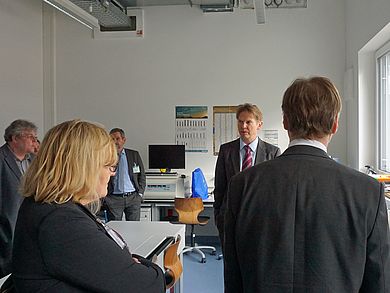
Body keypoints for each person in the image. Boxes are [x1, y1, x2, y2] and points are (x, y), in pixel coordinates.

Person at [224, 77, 390, 292]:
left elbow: (233, 277)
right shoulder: (367, 191)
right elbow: (379, 282)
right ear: (335, 125)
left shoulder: (242, 185)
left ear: (285, 122)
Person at [12, 120, 165, 292]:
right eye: (109, 166)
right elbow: (147, 286)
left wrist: (125, 263)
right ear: (84, 168)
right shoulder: (62, 221)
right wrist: (149, 266)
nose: (112, 173)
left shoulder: (50, 207)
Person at [213, 103, 281, 248]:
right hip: (230, 220)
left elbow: (275, 193)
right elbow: (220, 188)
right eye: (240, 121)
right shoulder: (226, 151)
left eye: (248, 122)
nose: (243, 126)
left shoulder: (272, 153)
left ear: (259, 124)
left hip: (260, 222)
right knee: (231, 267)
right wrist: (218, 216)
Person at [0, 119, 37, 278]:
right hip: (5, 225)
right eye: (30, 137)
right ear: (14, 138)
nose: (34, 141)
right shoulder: (2, 158)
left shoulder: (33, 160)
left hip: (28, 220)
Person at [103, 128, 146, 221]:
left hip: (133, 198)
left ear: (123, 140)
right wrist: (106, 198)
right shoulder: (106, 156)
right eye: (112, 139)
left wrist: (140, 194)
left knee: (134, 228)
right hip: (113, 199)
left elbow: (142, 176)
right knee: (115, 229)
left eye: (117, 139)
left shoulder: (134, 155)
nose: (115, 142)